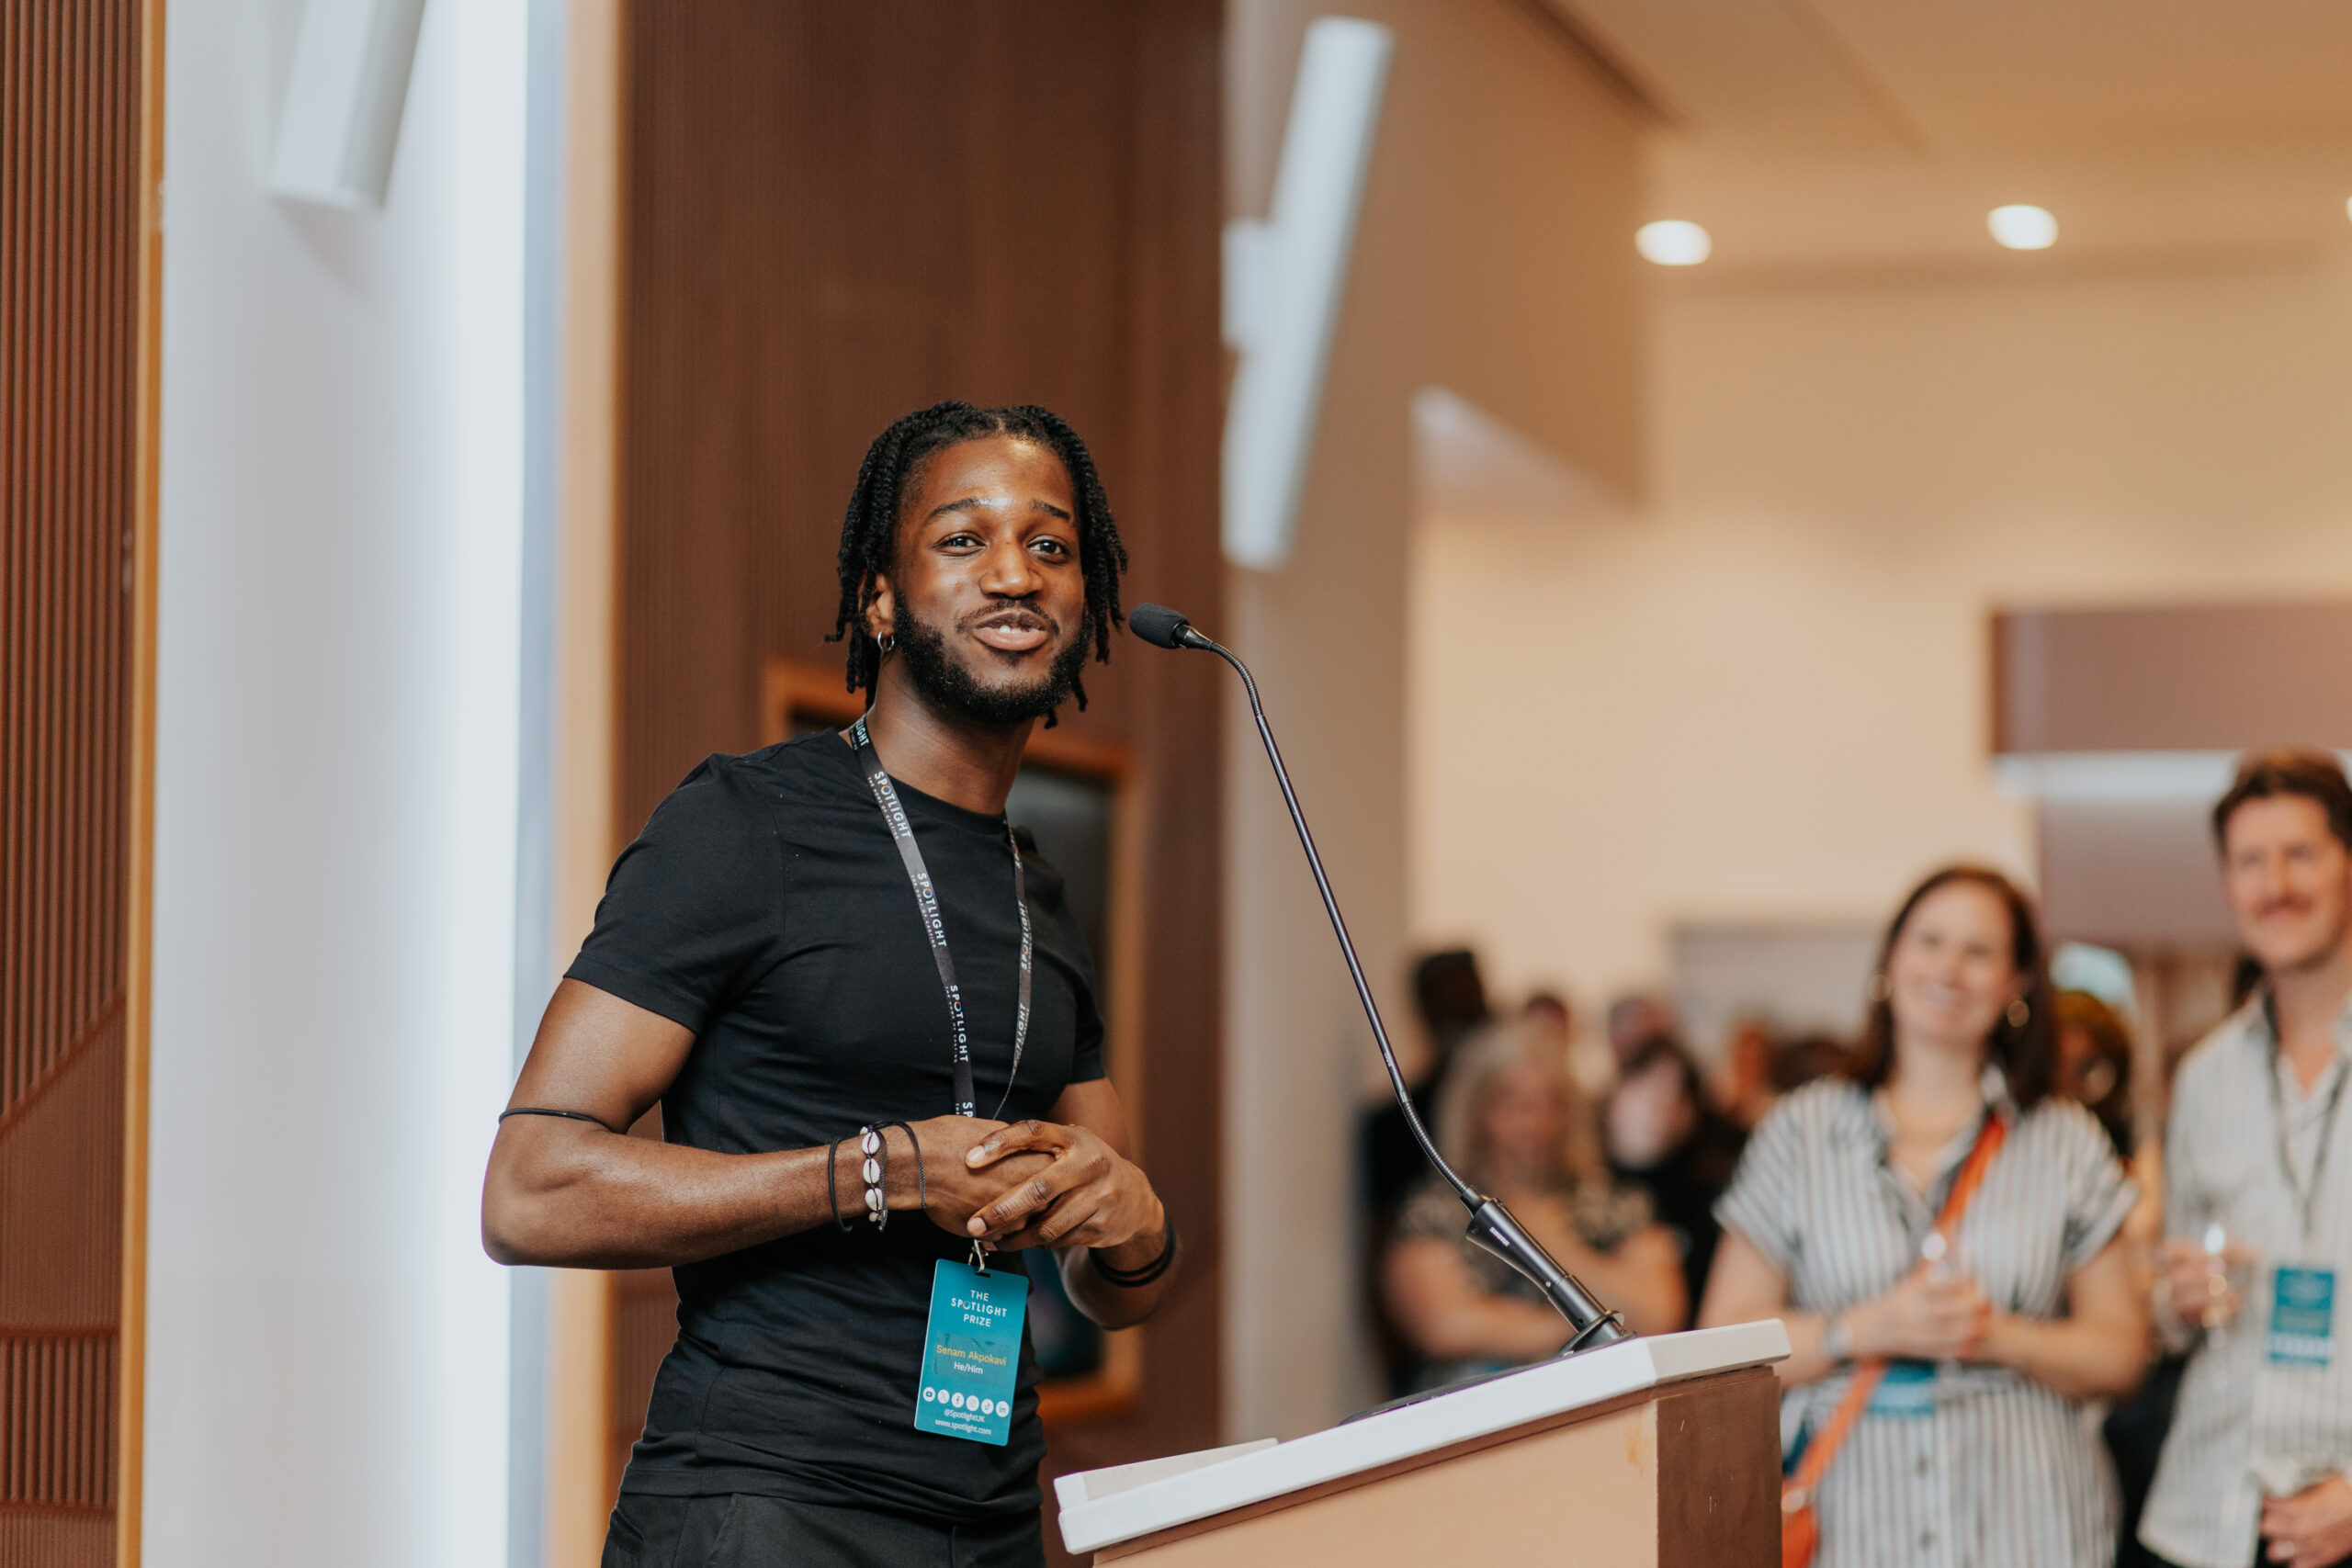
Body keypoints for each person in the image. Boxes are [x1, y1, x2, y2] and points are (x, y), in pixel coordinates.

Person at [480, 403, 1177, 1568]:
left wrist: (1137, 1219)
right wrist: (880, 1171)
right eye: (963, 539)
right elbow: (529, 1189)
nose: (1014, 572)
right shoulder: (744, 825)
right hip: (766, 1505)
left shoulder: (1036, 894)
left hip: (991, 1516)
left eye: (1050, 545)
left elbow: (1112, 1287)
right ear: (880, 600)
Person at [1701, 864, 2148, 1568]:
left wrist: (2000, 1335)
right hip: (1851, 1524)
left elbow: (2122, 1352)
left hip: (2033, 1522)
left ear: (2017, 983)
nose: (1949, 968)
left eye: (1979, 951)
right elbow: (1724, 1340)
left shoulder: (2065, 1138)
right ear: (1890, 959)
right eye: (1930, 940)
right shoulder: (1802, 1128)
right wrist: (1859, 1329)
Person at [2141, 750, 2352, 1568]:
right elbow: (2171, 1305)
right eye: (2250, 861)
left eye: (2301, 854)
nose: (2277, 885)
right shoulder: (2205, 1074)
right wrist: (2177, 1298)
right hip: (2210, 1516)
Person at [1383, 1023, 1685, 1393]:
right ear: (1475, 1112)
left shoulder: (1616, 1205)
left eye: (1549, 1102)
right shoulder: (1434, 1210)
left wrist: (1552, 1239)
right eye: (1510, 1102)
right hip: (1473, 1409)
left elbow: (1661, 1313)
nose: (1533, 1123)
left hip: (1598, 1403)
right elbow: (1443, 1325)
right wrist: (1591, 1327)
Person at [1605, 1034, 1747, 1325]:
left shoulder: (1710, 1199)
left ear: (1693, 1112)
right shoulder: (1583, 1183)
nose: (1658, 1105)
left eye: (1675, 1093)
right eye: (1645, 1085)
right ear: (1619, 1090)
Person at [1362, 948, 1494, 1227]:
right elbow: (1381, 1226)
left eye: (1466, 1002)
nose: (1456, 1016)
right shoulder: (1393, 1123)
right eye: (1444, 1003)